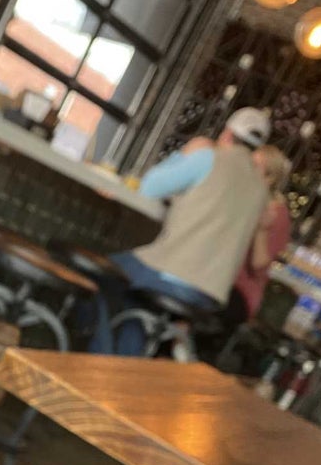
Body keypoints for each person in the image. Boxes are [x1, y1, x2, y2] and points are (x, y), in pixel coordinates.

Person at [90, 107, 271, 355]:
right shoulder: (261, 191)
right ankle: (118, 365)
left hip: (170, 274)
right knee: (137, 305)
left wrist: (185, 153)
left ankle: (95, 357)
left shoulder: (209, 158)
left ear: (227, 134)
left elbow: (149, 187)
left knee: (100, 273)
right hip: (209, 294)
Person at [227, 144, 292, 326]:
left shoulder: (276, 214)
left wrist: (261, 231)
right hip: (215, 280)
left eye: (253, 167)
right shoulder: (242, 199)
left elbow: (260, 266)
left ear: (270, 178)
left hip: (237, 293)